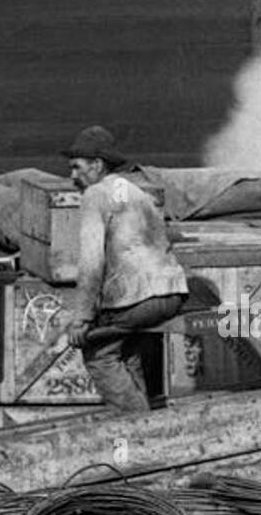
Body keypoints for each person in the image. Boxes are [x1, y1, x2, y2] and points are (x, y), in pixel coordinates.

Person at [63, 126, 189, 413]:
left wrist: (82, 318)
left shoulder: (95, 195)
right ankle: (142, 412)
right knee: (124, 348)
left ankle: (136, 426)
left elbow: (92, 263)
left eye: (76, 167)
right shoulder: (137, 192)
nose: (72, 177)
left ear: (96, 165)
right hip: (172, 293)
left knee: (97, 352)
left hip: (138, 298)